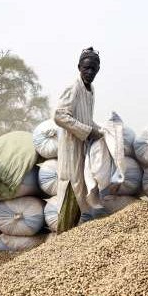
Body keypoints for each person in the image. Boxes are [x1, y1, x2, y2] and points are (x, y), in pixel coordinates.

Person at [54, 47, 104, 232]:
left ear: (98, 69)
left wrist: (100, 131)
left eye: (93, 69)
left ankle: (73, 237)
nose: (89, 72)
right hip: (70, 148)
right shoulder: (73, 87)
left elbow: (86, 119)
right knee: (71, 188)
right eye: (86, 68)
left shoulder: (90, 90)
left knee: (81, 189)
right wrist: (86, 131)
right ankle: (62, 237)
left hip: (83, 148)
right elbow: (59, 116)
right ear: (79, 67)